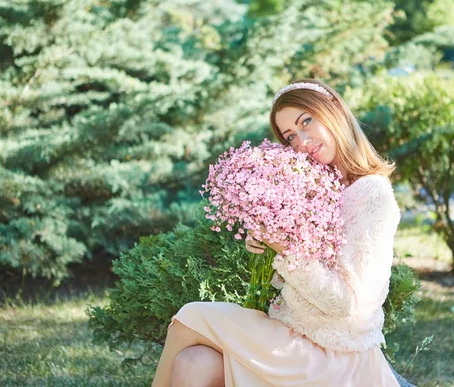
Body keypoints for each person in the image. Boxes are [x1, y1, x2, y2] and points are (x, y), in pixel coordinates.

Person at [151, 79, 414, 387]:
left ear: (334, 112)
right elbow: (297, 284)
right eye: (290, 136)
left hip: (336, 357)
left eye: (306, 121)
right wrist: (268, 247)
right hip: (291, 336)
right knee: (192, 364)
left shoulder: (371, 193)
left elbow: (347, 306)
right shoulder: (311, 188)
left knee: (188, 318)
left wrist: (287, 248)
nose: (302, 140)